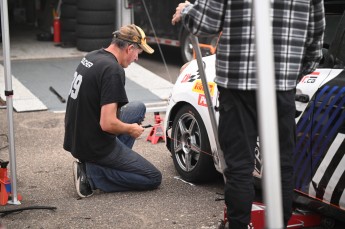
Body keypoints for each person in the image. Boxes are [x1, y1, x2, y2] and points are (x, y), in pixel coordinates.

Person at [172, 0, 325, 228]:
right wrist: (286, 77)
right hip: (280, 88)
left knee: (239, 167)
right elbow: (315, 42)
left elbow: (207, 20)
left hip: (237, 87)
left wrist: (186, 11)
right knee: (281, 166)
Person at [63, 24, 162, 198]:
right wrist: (131, 129)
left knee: (138, 108)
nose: (137, 58)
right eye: (138, 52)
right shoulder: (113, 70)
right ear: (130, 48)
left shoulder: (93, 56)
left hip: (77, 135)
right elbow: (107, 124)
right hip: (93, 144)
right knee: (152, 177)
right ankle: (92, 175)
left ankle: (107, 163)